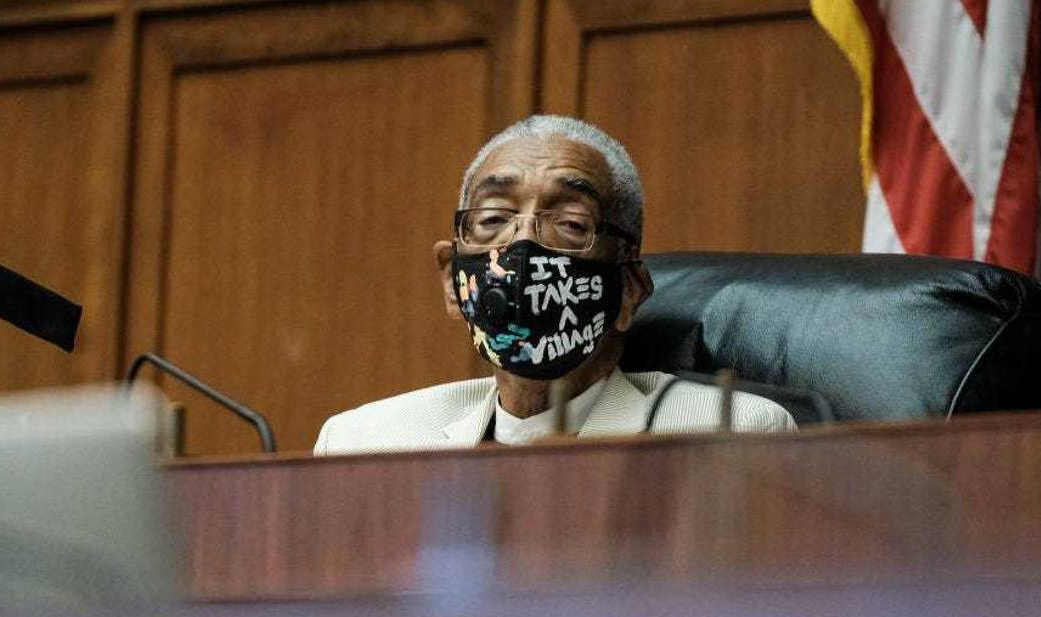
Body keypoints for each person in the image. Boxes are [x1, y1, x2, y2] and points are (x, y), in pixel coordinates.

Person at [315, 115, 795, 454]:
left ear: (628, 290)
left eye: (569, 223)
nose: (523, 242)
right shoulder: (365, 444)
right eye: (494, 217)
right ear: (451, 280)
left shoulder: (727, 435)